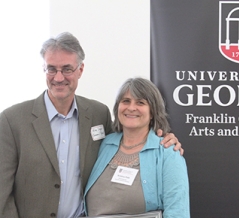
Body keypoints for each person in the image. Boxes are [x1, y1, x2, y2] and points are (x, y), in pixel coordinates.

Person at [0, 32, 182, 218]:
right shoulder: (12, 120)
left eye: (67, 69)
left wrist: (163, 138)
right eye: (52, 69)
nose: (59, 77)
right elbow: (2, 194)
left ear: (80, 70)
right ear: (44, 69)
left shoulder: (98, 114)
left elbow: (129, 140)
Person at [84, 77, 190, 217]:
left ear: (153, 112)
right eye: (126, 101)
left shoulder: (168, 153)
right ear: (118, 108)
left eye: (140, 102)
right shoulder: (104, 144)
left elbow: (178, 212)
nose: (131, 108)